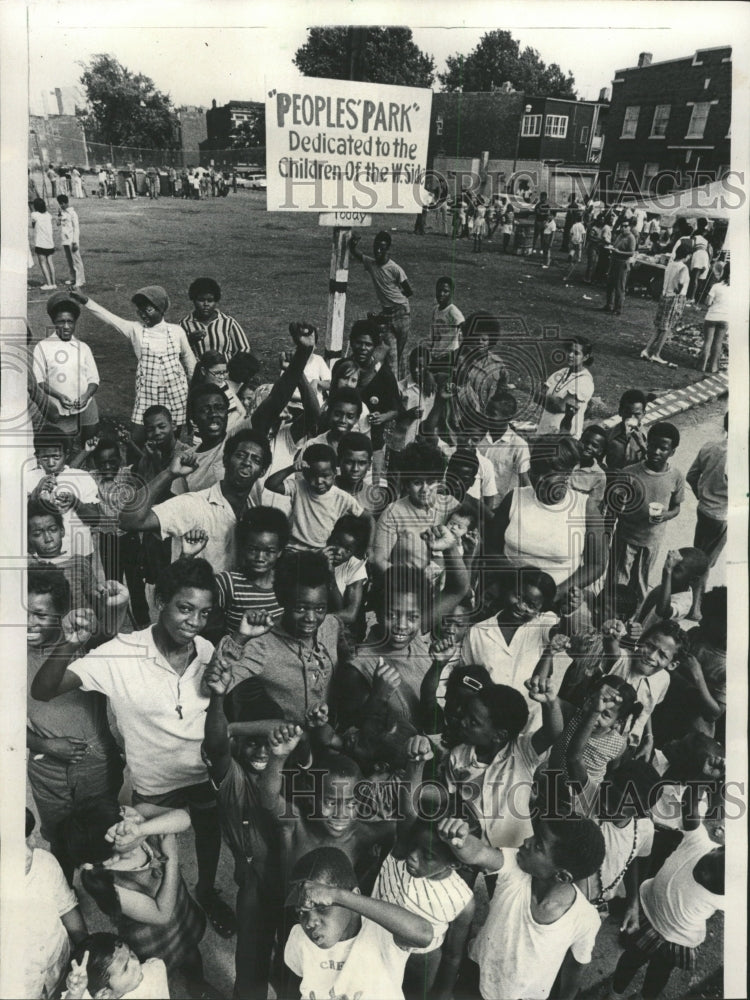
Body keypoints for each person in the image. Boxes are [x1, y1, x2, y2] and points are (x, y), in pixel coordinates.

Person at [30, 557, 237, 938]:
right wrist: (68, 643)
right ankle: (157, 912)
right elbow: (43, 690)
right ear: (160, 601)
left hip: (200, 770)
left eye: (203, 613)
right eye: (184, 608)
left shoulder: (206, 649)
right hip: (154, 779)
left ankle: (207, 891)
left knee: (209, 832)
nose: (193, 622)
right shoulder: (122, 652)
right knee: (148, 848)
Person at [436, 813, 605, 1000]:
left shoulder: (585, 919)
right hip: (476, 973)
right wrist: (461, 840)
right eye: (534, 835)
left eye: (539, 846)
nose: (526, 841)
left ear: (562, 877)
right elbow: (479, 853)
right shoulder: (514, 868)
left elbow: (574, 969)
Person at [65, 800, 211, 992]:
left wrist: (144, 828)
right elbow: (162, 914)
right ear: (110, 857)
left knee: (191, 950)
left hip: (182, 914)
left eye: (123, 811)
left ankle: (198, 986)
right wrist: (171, 856)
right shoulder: (109, 883)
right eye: (123, 828)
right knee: (156, 977)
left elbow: (183, 819)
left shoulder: (138, 818)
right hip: (153, 941)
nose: (132, 820)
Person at [201, 657, 282, 1000]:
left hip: (290, 874)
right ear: (237, 743)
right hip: (253, 881)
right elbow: (218, 743)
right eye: (252, 741)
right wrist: (218, 700)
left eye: (269, 740)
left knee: (294, 952)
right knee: (251, 958)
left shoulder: (288, 767)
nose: (262, 749)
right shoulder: (231, 775)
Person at [608, 785, 724, 1000]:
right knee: (630, 960)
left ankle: (644, 997)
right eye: (707, 867)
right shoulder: (699, 840)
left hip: (678, 938)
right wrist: (703, 779)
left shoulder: (732, 896)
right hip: (648, 912)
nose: (704, 876)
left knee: (659, 975)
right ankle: (614, 994)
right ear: (718, 848)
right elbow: (689, 802)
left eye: (714, 881)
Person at [212, 549, 346, 723]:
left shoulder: (331, 625)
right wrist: (240, 637)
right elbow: (211, 687)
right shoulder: (261, 646)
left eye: (320, 608)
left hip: (330, 737)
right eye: (301, 608)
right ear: (282, 599)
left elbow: (349, 662)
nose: (311, 619)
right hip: (287, 743)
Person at [283, 846, 432, 1000]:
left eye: (322, 907)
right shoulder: (299, 937)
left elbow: (424, 934)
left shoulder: (382, 932)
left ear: (351, 897)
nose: (310, 922)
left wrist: (336, 895)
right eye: (301, 912)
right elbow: (295, 986)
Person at [121, 428, 271, 572]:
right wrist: (169, 474)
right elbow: (128, 520)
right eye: (240, 455)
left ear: (262, 471)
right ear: (225, 460)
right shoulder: (195, 505)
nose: (247, 462)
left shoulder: (255, 512)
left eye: (256, 459)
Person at [443, 674, 564, 848]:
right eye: (466, 715)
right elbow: (452, 798)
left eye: (473, 722)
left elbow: (553, 733)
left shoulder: (522, 751)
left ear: (499, 735)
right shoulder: (457, 756)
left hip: (517, 852)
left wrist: (550, 703)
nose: (463, 722)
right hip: (475, 849)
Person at [489, 435, 607, 602]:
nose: (539, 480)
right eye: (535, 472)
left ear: (567, 474)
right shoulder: (514, 498)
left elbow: (596, 564)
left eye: (549, 474)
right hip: (508, 593)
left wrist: (557, 593)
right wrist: (514, 581)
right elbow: (491, 548)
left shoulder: (585, 508)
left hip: (557, 600)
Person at [69, 287, 195, 441]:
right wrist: (85, 300)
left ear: (161, 310)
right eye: (140, 310)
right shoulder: (136, 330)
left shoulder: (177, 331)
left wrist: (195, 386)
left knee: (171, 436)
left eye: (148, 309)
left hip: (176, 392)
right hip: (147, 392)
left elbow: (189, 358)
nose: (143, 314)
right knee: (138, 436)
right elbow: (108, 317)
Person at [606, 422, 685, 607]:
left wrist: (666, 515)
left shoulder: (676, 477)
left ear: (672, 452)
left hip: (651, 541)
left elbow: (676, 508)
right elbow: (613, 507)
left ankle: (633, 621)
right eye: (653, 446)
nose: (656, 451)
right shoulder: (629, 473)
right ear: (646, 445)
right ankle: (607, 617)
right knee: (617, 582)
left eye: (663, 448)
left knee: (641, 584)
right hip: (625, 538)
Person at [24, 808, 88, 1000]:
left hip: (62, 965)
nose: (29, 850)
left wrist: (85, 949)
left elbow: (67, 908)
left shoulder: (44, 863)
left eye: (28, 837)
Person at [265, 443, 363, 553]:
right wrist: (291, 468)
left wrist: (369, 548)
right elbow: (270, 484)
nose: (319, 481)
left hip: (320, 552)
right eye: (313, 476)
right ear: (305, 474)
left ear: (335, 473)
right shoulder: (298, 487)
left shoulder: (342, 498)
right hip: (291, 549)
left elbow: (368, 519)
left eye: (325, 476)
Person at [33, 292, 100, 443]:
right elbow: (40, 381)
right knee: (65, 445)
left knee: (90, 443)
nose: (66, 326)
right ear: (53, 322)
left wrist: (86, 396)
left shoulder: (83, 347)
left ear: (75, 322)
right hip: (59, 407)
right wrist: (59, 396)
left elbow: (94, 379)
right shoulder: (43, 347)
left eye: (70, 321)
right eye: (60, 322)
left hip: (86, 404)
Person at [27, 428, 101, 563]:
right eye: (45, 457)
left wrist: (75, 502)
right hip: (43, 557)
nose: (51, 463)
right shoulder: (30, 478)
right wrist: (36, 493)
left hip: (79, 552)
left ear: (66, 454)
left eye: (56, 457)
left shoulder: (81, 477)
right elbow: (18, 519)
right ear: (37, 456)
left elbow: (95, 520)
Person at [349, 231, 413, 379]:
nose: (378, 251)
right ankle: (392, 386)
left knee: (401, 354)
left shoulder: (395, 268)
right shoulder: (371, 264)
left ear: (388, 249)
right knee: (391, 355)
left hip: (402, 314)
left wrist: (394, 297)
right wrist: (353, 244)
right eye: (376, 247)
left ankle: (401, 389)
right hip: (386, 316)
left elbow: (408, 291)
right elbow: (357, 254)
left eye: (382, 248)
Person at [347, 318, 402, 482]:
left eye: (368, 344)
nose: (363, 348)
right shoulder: (344, 368)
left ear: (375, 347)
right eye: (359, 343)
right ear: (351, 343)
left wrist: (383, 417)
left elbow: (396, 409)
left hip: (374, 445)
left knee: (372, 490)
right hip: (344, 442)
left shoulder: (384, 375)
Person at [686, 412, 727, 615]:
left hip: (704, 510)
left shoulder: (710, 447)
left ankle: (685, 594)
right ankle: (695, 607)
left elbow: (691, 475)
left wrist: (702, 496)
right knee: (705, 563)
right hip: (721, 517)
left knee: (698, 555)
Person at [63, 933, 170, 1000]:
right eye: (125, 968)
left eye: (131, 954)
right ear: (104, 994)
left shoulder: (153, 972)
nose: (136, 963)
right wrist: (76, 993)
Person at [535, 336, 595, 439]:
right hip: (544, 430)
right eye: (569, 351)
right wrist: (553, 401)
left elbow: (560, 407)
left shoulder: (585, 381)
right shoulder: (562, 372)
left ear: (585, 357)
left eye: (576, 353)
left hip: (564, 437)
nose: (570, 355)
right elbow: (537, 395)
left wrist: (548, 399)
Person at [641, 243, 691, 367]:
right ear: (687, 256)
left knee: (659, 326)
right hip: (674, 298)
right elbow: (680, 283)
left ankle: (647, 350)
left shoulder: (670, 264)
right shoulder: (683, 268)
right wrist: (679, 293)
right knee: (667, 328)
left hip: (664, 296)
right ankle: (656, 353)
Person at [179, 278, 251, 360]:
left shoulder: (228, 322)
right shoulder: (184, 324)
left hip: (225, 371)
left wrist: (233, 368)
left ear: (216, 301)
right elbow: (176, 353)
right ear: (194, 300)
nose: (206, 304)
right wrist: (189, 341)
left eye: (210, 300)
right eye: (201, 300)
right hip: (197, 371)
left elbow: (244, 349)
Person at [604, 389, 649, 472]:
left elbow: (655, 466)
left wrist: (642, 444)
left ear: (643, 414)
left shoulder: (650, 437)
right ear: (620, 412)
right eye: (628, 413)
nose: (632, 418)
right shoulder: (608, 435)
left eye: (637, 414)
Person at [698, 263, 730, 373]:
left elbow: (707, 302)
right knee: (718, 342)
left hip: (712, 316)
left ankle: (702, 365)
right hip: (725, 318)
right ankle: (713, 367)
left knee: (708, 341)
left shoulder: (716, 286)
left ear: (724, 272)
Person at [603, 217, 638, 314]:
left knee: (619, 286)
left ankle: (618, 308)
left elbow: (631, 253)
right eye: (622, 226)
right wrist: (612, 248)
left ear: (629, 227)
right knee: (610, 283)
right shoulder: (620, 235)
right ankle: (609, 304)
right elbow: (615, 246)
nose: (623, 228)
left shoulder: (631, 238)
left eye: (625, 226)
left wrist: (619, 252)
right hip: (614, 260)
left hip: (622, 263)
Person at [429, 276, 464, 363]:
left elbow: (465, 328)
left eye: (445, 291)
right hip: (436, 355)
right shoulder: (435, 310)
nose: (441, 294)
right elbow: (434, 334)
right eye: (439, 290)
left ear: (451, 293)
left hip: (449, 356)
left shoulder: (453, 312)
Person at [57, 194, 85, 289]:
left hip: (72, 240)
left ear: (67, 202)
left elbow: (76, 228)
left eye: (63, 203)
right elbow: (58, 224)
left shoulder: (72, 213)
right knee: (70, 260)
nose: (62, 205)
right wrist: (59, 217)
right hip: (65, 239)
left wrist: (75, 241)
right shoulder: (62, 212)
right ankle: (73, 278)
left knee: (76, 260)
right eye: (60, 204)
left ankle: (80, 280)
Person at [31, 196, 57, 289]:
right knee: (50, 262)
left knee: (43, 263)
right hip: (50, 243)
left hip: (41, 243)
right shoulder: (48, 215)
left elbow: (33, 224)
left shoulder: (34, 215)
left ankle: (49, 284)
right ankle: (53, 283)